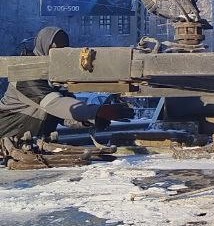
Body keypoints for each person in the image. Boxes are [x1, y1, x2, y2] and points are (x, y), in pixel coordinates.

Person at [0, 27, 133, 144]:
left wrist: (92, 119)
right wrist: (97, 111)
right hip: (7, 140)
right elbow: (56, 104)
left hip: (31, 143)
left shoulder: (54, 78)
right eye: (55, 49)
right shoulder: (25, 76)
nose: (60, 54)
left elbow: (66, 115)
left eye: (64, 49)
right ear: (44, 47)